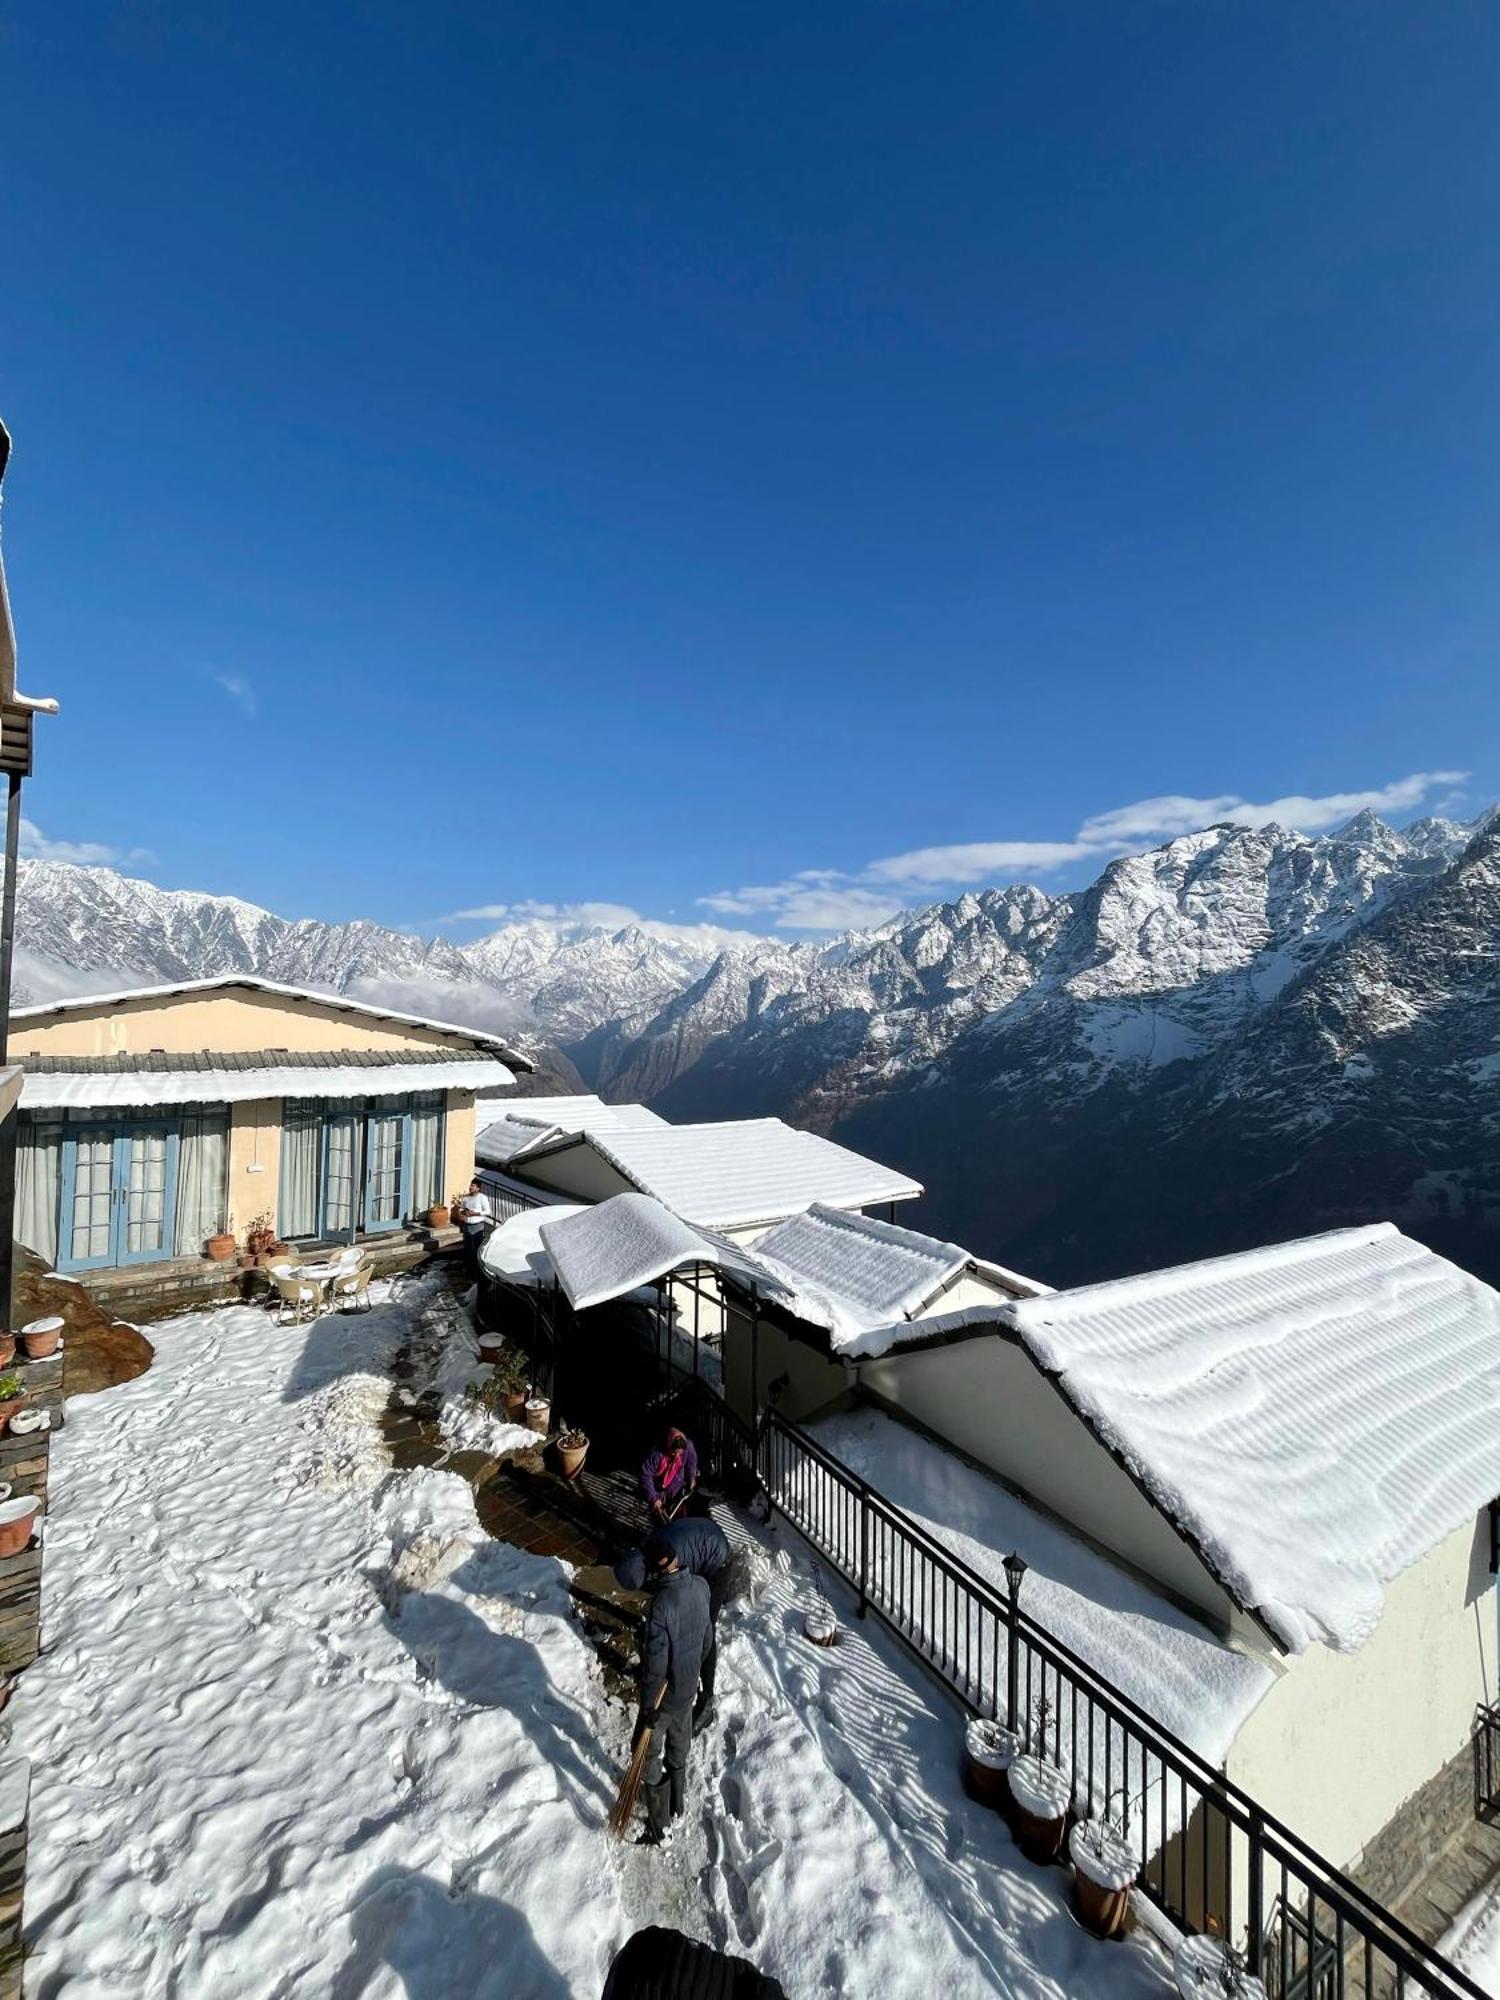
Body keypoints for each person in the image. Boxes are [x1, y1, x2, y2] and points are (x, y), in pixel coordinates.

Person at [615, 1515, 730, 1732]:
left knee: (705, 1626)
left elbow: (682, 1593)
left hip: (717, 1561)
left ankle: (707, 1700)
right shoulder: (649, 1549)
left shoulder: (673, 1558)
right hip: (705, 1534)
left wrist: (682, 1662)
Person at [635, 1539, 711, 1846]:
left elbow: (655, 1664)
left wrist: (649, 1706)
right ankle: (678, 1803)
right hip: (689, 1684)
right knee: (680, 1740)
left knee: (648, 1749)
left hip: (664, 1696)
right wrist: (690, 1669)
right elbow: (707, 1642)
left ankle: (660, 1823)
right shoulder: (702, 1587)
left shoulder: (660, 1606)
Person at [641, 1421, 698, 1525]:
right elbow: (646, 1475)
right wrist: (653, 1498)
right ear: (669, 1446)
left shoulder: (688, 1446)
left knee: (679, 1519)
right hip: (658, 1490)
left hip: (677, 1489)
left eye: (679, 1453)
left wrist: (692, 1476)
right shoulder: (656, 1455)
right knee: (659, 1521)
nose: (676, 1456)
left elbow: (692, 1461)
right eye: (673, 1452)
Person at [455, 1177, 492, 1280]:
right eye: (470, 1185)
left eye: (473, 1186)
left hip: (477, 1226)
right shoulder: (466, 1198)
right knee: (467, 1249)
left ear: (478, 1188)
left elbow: (488, 1211)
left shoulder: (482, 1198)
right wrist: (461, 1213)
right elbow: (462, 1208)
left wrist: (475, 1213)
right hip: (467, 1225)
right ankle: (468, 1270)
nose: (470, 1188)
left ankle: (477, 1272)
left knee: (475, 1249)